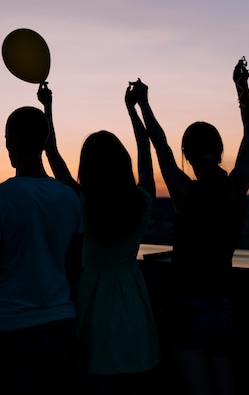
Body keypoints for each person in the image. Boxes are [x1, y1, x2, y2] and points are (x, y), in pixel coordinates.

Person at [135, 59, 249, 395]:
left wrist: (143, 102)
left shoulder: (185, 192)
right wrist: (241, 87)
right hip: (222, 303)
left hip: (186, 305)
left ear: (187, 154)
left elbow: (159, 143)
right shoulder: (236, 187)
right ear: (219, 151)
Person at [38, 81, 161, 394]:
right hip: (132, 298)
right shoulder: (141, 202)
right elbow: (146, 151)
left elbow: (50, 153)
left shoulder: (80, 202)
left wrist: (47, 106)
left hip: (92, 298)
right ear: (123, 164)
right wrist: (134, 108)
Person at [0, 106, 84, 395]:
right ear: (44, 143)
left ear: (9, 143)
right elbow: (74, 267)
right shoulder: (69, 197)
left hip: (12, 327)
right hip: (61, 323)